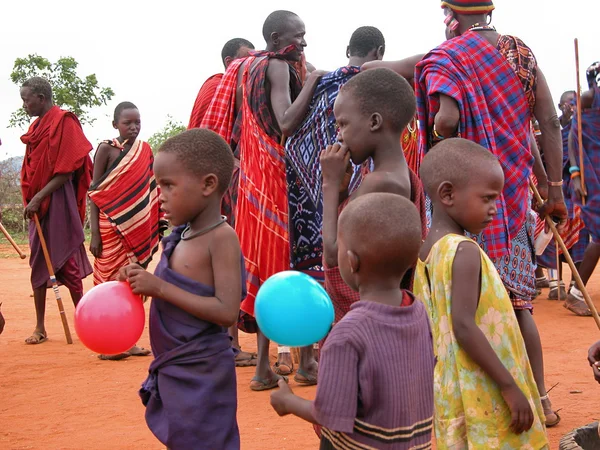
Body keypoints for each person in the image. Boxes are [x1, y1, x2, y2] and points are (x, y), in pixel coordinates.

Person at [414, 0, 567, 426]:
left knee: (458, 302)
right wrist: (553, 189)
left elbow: (446, 120)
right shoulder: (521, 53)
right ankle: (542, 402)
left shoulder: (448, 57)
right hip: (512, 195)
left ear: (451, 15)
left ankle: (458, 402)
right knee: (518, 304)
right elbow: (547, 124)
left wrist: (455, 141)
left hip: (464, 196)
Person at [202, 10, 325, 390]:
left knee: (266, 268)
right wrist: (316, 81)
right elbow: (286, 120)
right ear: (275, 37)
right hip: (281, 181)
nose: (304, 43)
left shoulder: (248, 69)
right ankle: (305, 361)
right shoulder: (273, 68)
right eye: (298, 36)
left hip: (256, 183)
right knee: (295, 262)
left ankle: (263, 369)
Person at [270, 192, 435, 450]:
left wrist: (288, 402)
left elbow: (331, 415)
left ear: (351, 261)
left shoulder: (347, 334)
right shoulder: (419, 313)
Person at [415, 138, 548, 449]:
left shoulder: (426, 251)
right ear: (447, 194)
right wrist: (509, 387)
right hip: (486, 389)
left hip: (453, 387)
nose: (493, 209)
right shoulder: (464, 251)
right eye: (487, 199)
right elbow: (463, 326)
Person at [117, 129, 244, 449]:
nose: (160, 196)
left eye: (169, 185)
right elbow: (169, 285)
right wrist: (139, 277)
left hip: (204, 372)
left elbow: (226, 311)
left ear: (208, 184)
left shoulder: (221, 238)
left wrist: (159, 288)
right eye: (159, 185)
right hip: (177, 370)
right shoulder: (180, 236)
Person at [321, 68, 426, 326]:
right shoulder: (394, 174)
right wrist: (344, 191)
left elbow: (335, 254)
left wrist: (330, 185)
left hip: (367, 322)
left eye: (343, 123)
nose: (339, 134)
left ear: (374, 122)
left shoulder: (383, 182)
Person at [285, 26, 385, 290]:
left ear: (347, 52)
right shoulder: (374, 92)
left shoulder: (318, 87)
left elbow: (293, 142)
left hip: (308, 211)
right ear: (380, 53)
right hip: (354, 202)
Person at [19, 76, 93, 345]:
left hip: (58, 200)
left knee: (68, 263)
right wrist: (34, 199)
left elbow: (69, 168)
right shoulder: (35, 127)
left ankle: (86, 323)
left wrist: (39, 196)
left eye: (27, 99)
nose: (25, 104)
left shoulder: (65, 121)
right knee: (38, 260)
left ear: (41, 97)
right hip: (37, 206)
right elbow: (30, 169)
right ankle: (40, 327)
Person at [88, 101, 161, 360]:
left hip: (137, 229)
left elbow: (150, 191)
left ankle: (128, 339)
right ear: (115, 124)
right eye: (127, 123)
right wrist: (95, 233)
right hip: (109, 228)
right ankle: (107, 342)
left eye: (137, 122)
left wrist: (153, 226)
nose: (133, 127)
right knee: (108, 279)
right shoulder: (106, 149)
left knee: (133, 282)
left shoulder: (144, 151)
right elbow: (95, 192)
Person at [535, 91, 589, 307]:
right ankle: (555, 282)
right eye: (568, 103)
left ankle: (576, 283)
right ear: (560, 105)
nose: (572, 107)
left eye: (575, 103)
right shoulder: (553, 131)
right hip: (556, 188)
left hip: (576, 191)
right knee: (553, 233)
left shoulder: (582, 129)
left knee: (581, 235)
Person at [567, 61, 600, 315]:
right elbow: (572, 133)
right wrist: (575, 173)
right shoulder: (591, 97)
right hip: (592, 171)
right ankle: (576, 293)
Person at [188, 38, 255, 129]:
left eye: (253, 61)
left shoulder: (242, 89)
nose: (251, 65)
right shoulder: (214, 86)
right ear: (229, 62)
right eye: (246, 61)